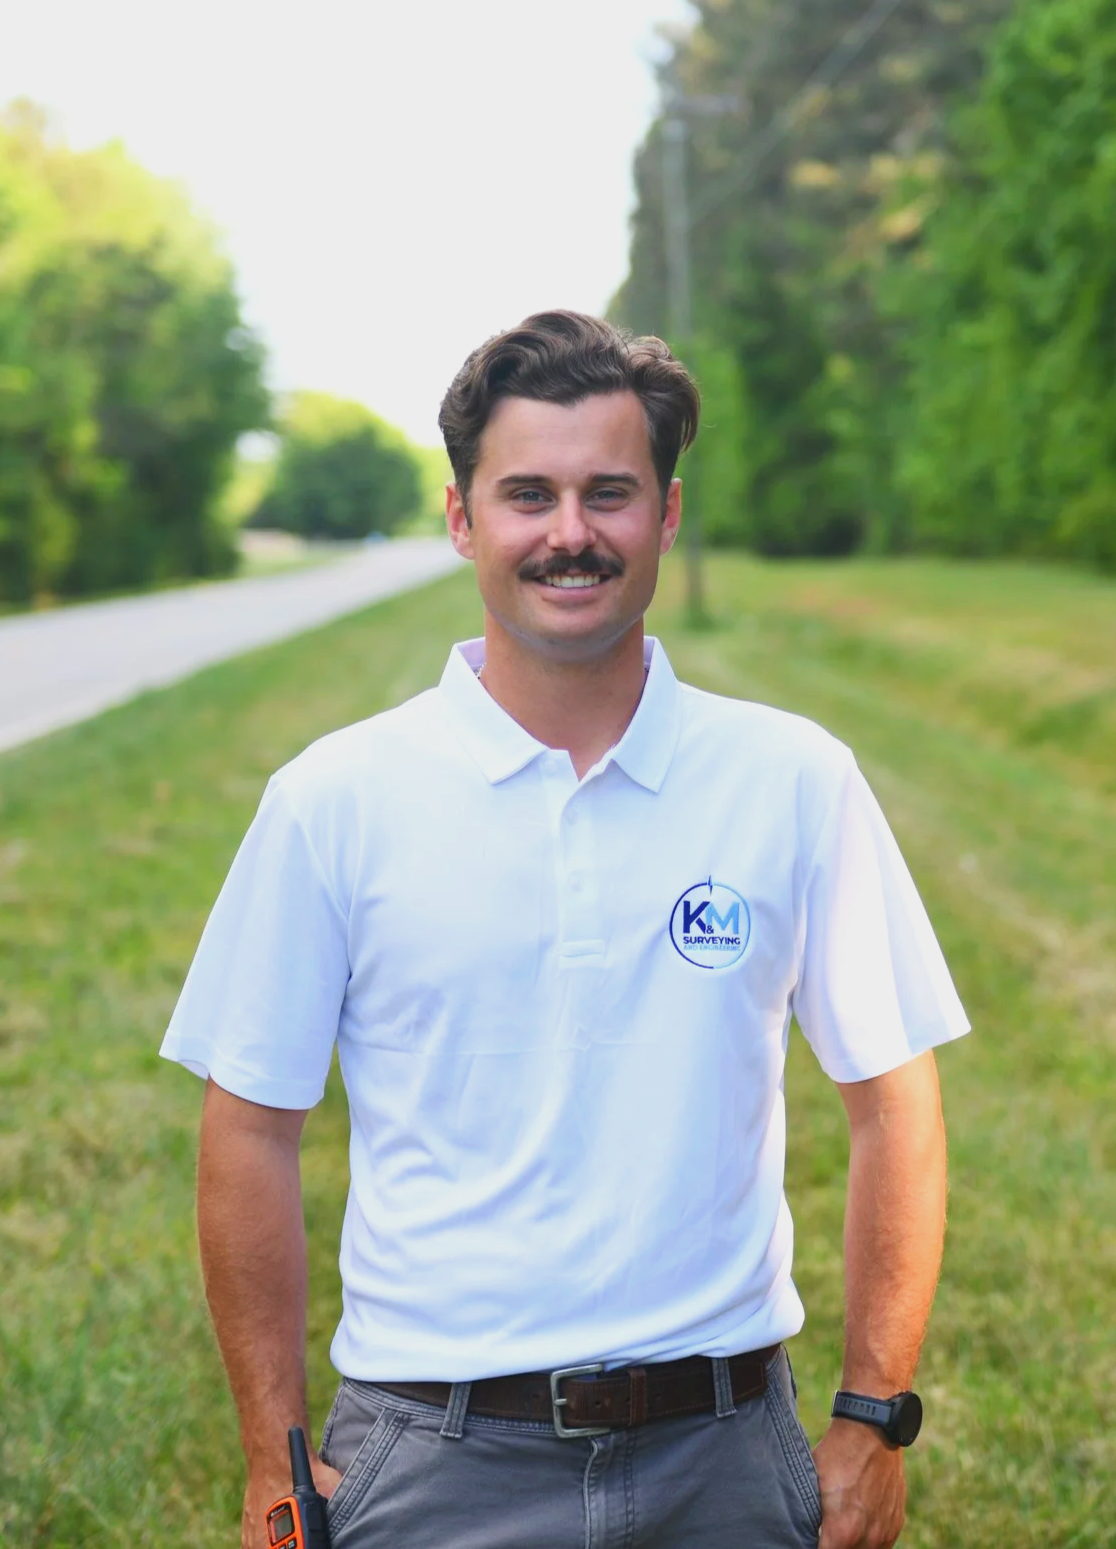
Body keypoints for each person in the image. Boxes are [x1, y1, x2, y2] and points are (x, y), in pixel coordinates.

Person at [161, 309, 969, 1549]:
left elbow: (892, 1097)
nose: (570, 533)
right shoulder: (334, 800)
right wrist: (275, 1456)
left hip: (725, 1457)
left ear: (668, 515)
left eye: (610, 493)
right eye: (527, 495)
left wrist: (869, 1416)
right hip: (431, 1458)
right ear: (460, 518)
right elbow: (251, 1127)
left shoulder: (791, 779)